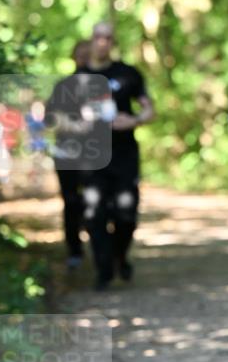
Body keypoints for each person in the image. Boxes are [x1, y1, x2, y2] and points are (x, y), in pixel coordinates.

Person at [77, 22, 154, 290]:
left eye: (108, 38)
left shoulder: (128, 74)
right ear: (91, 40)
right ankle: (103, 269)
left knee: (126, 215)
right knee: (94, 214)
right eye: (98, 37)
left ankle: (120, 256)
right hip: (92, 159)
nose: (103, 42)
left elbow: (148, 110)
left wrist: (132, 121)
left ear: (113, 42)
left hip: (124, 157)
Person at [46, 40, 92, 268]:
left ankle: (99, 247)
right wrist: (75, 126)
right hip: (68, 154)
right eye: (80, 55)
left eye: (88, 54)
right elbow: (50, 118)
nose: (84, 58)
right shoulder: (63, 86)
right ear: (73, 57)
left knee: (95, 200)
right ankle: (74, 250)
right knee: (71, 201)